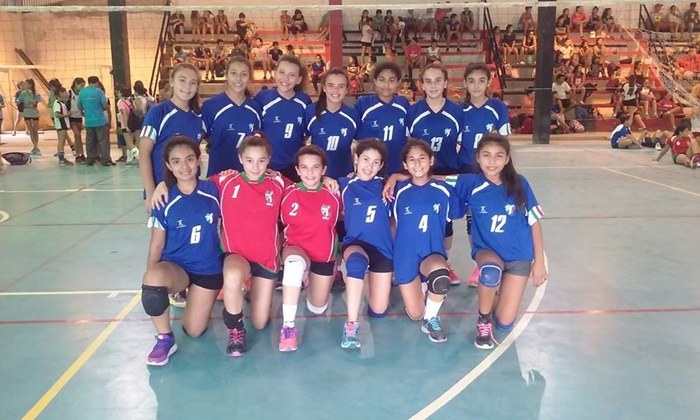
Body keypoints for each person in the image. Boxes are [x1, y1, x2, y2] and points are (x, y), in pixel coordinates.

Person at [446, 133, 546, 350]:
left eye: (499, 156)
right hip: (488, 251)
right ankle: (483, 320)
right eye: (486, 155)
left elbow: (534, 222)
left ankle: (497, 293)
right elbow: (431, 179)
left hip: (519, 256)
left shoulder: (520, 183)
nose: (492, 161)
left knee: (504, 322)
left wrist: (539, 262)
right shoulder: (470, 182)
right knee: (490, 272)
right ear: (478, 158)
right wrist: (397, 178)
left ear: (507, 159)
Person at [141, 136, 223, 366]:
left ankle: (196, 301)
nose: (184, 166)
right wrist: (152, 285)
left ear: (199, 160)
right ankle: (164, 338)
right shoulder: (164, 199)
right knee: (153, 279)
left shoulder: (214, 190)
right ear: (168, 166)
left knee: (194, 330)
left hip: (208, 269)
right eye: (176, 162)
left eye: (189, 159)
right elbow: (157, 244)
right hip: (176, 267)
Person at [382, 140, 464, 343]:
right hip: (405, 257)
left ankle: (431, 318)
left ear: (431, 161)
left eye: (422, 158)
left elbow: (462, 206)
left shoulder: (444, 190)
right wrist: (393, 177)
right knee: (415, 313)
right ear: (405, 164)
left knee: (440, 277)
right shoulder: (396, 190)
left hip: (431, 253)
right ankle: (424, 291)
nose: (417, 164)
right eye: (412, 159)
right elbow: (388, 221)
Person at [212, 134, 286, 356]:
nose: (255, 166)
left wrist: (327, 180)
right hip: (238, 255)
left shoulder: (278, 183)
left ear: (269, 160)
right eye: (249, 160)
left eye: (261, 160)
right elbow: (190, 186)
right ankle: (235, 329)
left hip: (266, 260)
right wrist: (163, 186)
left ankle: (251, 292)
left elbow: (306, 187)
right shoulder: (225, 182)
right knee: (232, 275)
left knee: (261, 323)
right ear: (240, 159)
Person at [278, 145, 342, 352]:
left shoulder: (334, 193)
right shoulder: (287, 192)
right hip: (296, 249)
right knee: (294, 265)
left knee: (317, 308)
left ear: (324, 169)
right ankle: (288, 328)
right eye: (304, 167)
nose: (310, 173)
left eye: (315, 167)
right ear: (297, 170)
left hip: (323, 256)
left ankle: (308, 280)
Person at [407, 63, 463, 283]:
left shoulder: (456, 112)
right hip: (420, 173)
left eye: (438, 80)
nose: (433, 86)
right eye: (428, 81)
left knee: (445, 221)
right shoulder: (413, 112)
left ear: (446, 83)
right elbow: (409, 144)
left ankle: (444, 263)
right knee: (420, 217)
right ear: (421, 84)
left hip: (447, 172)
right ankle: (417, 261)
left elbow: (461, 143)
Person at [337, 140, 393, 348]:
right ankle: (351, 325)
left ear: (381, 165)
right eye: (365, 159)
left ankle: (370, 277)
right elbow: (315, 180)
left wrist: (395, 177)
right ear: (356, 159)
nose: (369, 166)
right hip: (356, 244)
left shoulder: (387, 186)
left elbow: (412, 177)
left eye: (375, 162)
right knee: (356, 264)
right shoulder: (344, 184)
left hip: (382, 249)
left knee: (378, 311)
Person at [461, 62, 511, 286]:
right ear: (465, 83)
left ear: (489, 82)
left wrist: (502, 169)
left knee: (488, 216)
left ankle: (488, 262)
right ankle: (477, 262)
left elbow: (504, 142)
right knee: (471, 216)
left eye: (481, 81)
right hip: (467, 169)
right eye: (471, 81)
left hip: (491, 170)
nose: (476, 86)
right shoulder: (460, 111)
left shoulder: (498, 108)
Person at [140, 63, 204, 214]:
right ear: (171, 82)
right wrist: (150, 192)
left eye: (193, 82)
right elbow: (144, 154)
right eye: (182, 80)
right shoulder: (157, 113)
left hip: (190, 192)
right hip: (162, 193)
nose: (187, 87)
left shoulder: (199, 117)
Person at [253, 55, 311, 181]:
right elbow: (255, 130)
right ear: (275, 73)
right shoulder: (263, 98)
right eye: (282, 72)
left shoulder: (304, 101)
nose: (286, 78)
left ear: (299, 79)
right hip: (267, 166)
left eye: (292, 75)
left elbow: (305, 134)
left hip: (295, 167)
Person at [202, 56, 261, 176]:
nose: (238, 78)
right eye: (234, 73)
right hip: (218, 174)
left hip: (247, 176)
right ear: (226, 75)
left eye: (244, 74)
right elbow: (205, 136)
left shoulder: (255, 108)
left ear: (249, 77)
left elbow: (258, 137)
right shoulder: (210, 106)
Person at [354, 62, 409, 175]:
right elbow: (353, 139)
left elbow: (409, 136)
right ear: (374, 81)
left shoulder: (403, 104)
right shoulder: (363, 104)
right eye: (382, 80)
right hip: (370, 171)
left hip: (398, 169)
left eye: (391, 80)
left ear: (398, 82)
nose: (386, 85)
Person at [305, 68, 358, 179]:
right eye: (331, 85)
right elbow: (301, 140)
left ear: (347, 89)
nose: (336, 90)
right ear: (324, 87)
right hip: (317, 178)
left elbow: (362, 145)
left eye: (341, 86)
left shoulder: (352, 115)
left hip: (345, 177)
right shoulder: (311, 112)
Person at [77, 76, 112, 166]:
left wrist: (86, 111)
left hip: (88, 121)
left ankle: (90, 159)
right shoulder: (99, 92)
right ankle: (105, 159)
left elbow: (79, 106)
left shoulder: (82, 92)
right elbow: (105, 105)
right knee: (103, 141)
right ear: (97, 82)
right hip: (100, 121)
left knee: (90, 141)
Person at [116, 86, 139, 167]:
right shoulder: (130, 101)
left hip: (125, 125)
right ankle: (130, 160)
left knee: (130, 144)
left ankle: (139, 157)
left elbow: (125, 115)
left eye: (119, 93)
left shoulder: (121, 103)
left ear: (121, 93)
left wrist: (126, 126)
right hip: (133, 124)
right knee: (130, 144)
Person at [18, 79, 41, 155]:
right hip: (26, 112)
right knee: (31, 130)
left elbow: (35, 103)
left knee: (35, 130)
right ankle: (35, 147)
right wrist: (18, 102)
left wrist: (31, 97)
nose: (24, 85)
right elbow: (19, 101)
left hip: (34, 112)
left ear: (30, 85)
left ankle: (36, 147)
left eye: (26, 84)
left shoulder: (36, 94)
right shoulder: (22, 93)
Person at [52, 87, 74, 166]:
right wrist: (66, 115)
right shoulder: (57, 103)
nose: (66, 94)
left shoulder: (62, 103)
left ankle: (62, 158)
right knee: (61, 141)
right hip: (61, 124)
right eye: (64, 92)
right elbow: (57, 114)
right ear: (60, 93)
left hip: (63, 124)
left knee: (62, 141)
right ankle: (61, 159)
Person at [67, 78, 86, 163]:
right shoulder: (69, 93)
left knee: (78, 136)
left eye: (83, 86)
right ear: (75, 84)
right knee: (77, 134)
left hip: (79, 116)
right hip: (72, 117)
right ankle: (77, 154)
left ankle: (81, 154)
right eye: (81, 86)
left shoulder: (82, 94)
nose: (82, 88)